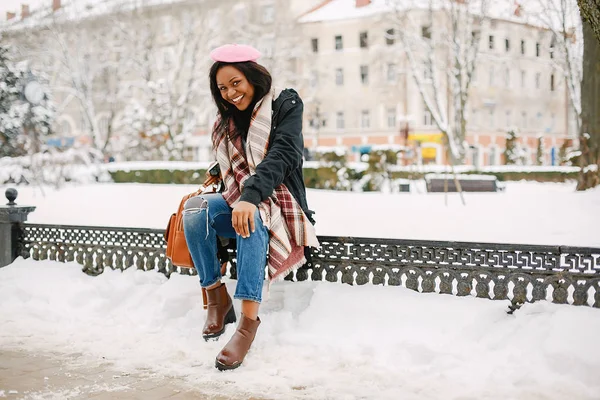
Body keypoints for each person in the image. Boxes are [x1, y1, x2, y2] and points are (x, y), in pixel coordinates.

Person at [182, 44, 319, 371]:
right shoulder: (226, 119)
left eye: (236, 83)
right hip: (239, 202)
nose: (229, 93)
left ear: (253, 76)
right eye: (222, 88)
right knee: (195, 208)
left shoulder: (285, 103)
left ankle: (247, 322)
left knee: (253, 216)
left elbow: (283, 156)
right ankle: (216, 299)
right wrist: (225, 176)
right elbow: (235, 164)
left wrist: (250, 196)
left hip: (280, 208)